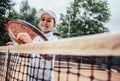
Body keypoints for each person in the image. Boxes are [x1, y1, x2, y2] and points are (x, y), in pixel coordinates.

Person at [16, 9, 58, 81]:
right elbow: (28, 55)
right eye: (43, 19)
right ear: (40, 22)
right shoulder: (36, 38)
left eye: (49, 20)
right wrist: (16, 46)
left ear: (54, 25)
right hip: (31, 78)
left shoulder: (54, 39)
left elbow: (49, 56)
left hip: (46, 79)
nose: (45, 22)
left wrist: (31, 44)